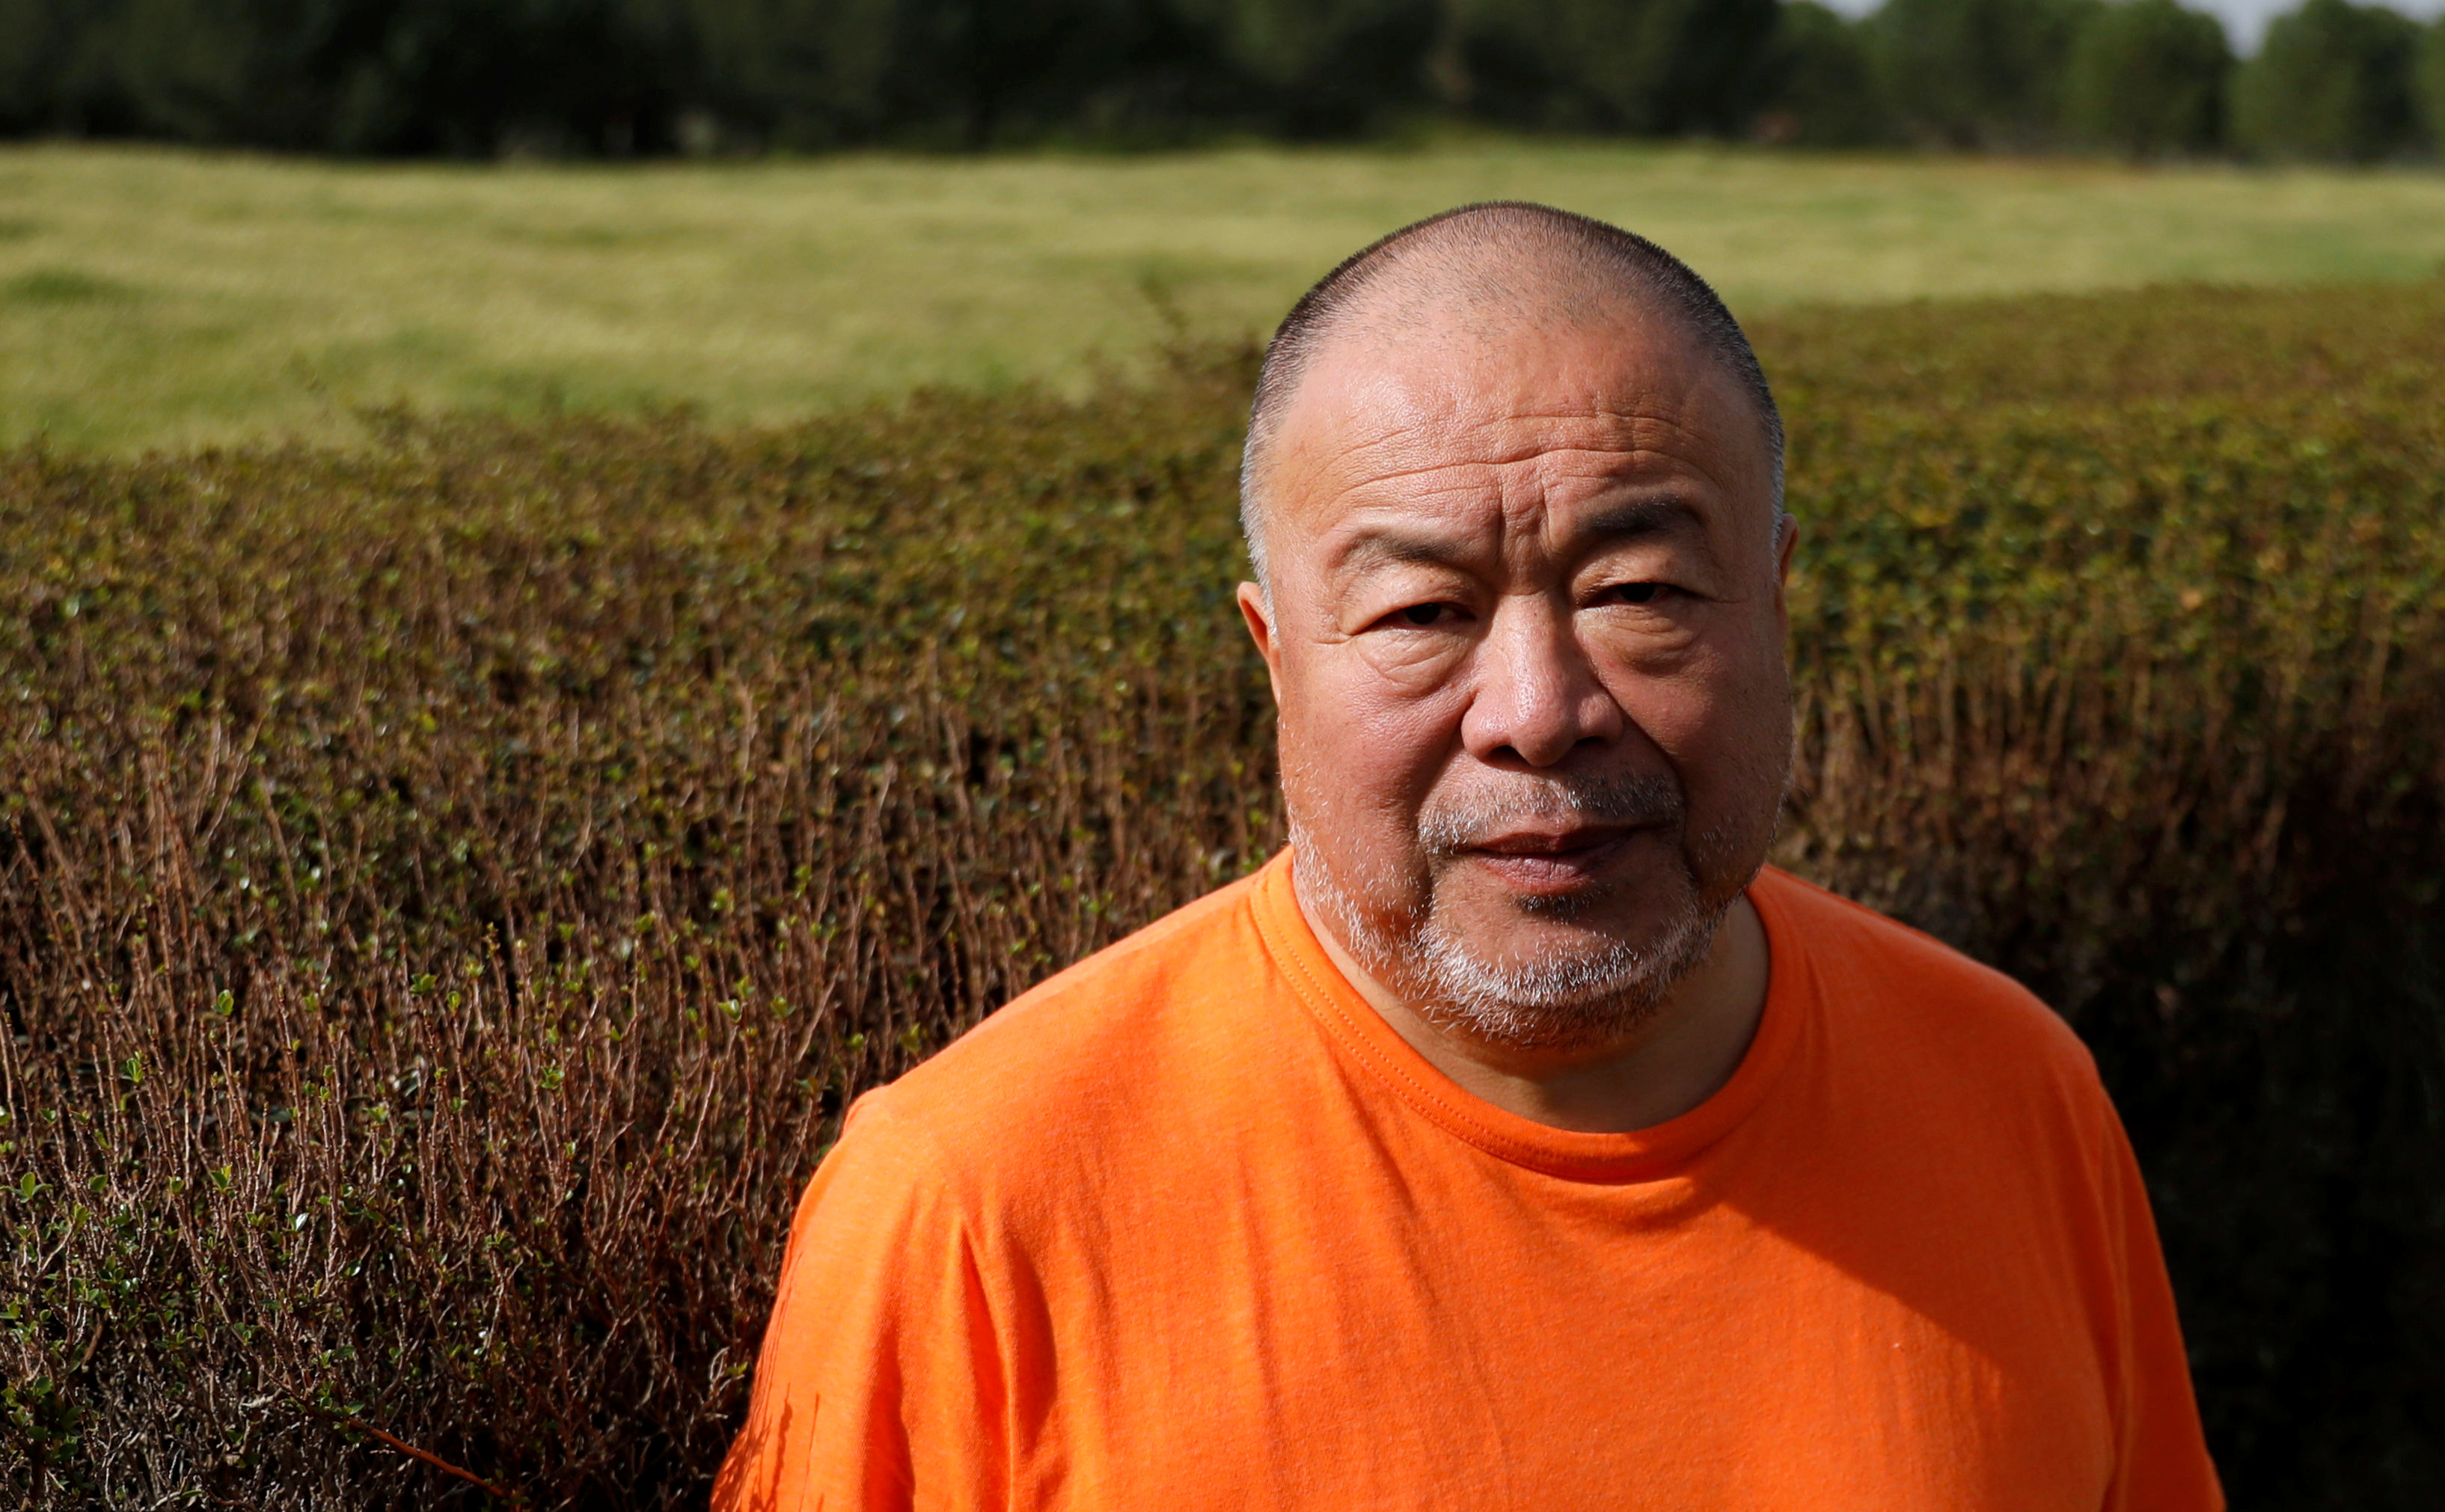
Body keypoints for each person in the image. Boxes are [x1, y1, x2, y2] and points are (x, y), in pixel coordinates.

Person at [717, 202, 2223, 1511]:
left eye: (1637, 586)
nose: (1538, 714)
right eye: (1421, 614)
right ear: (1276, 656)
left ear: (1773, 609)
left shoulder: (2011, 1094)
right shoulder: (976, 1204)